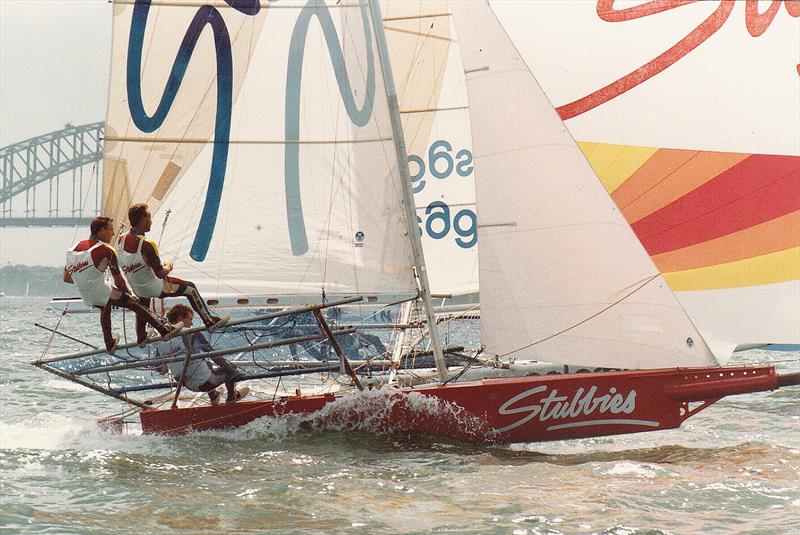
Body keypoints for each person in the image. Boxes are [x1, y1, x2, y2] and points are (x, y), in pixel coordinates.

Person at [64, 216, 181, 353]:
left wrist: (87, 279)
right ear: (101, 231)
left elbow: (67, 278)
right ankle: (164, 330)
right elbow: (119, 281)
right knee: (134, 304)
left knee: (105, 307)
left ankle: (110, 343)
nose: (113, 234)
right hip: (102, 292)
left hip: (87, 295)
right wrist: (130, 293)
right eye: (110, 230)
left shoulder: (72, 250)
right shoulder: (107, 250)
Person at [118, 203, 229, 340]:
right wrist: (169, 265)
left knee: (144, 301)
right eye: (149, 217)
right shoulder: (147, 244)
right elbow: (160, 274)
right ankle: (209, 321)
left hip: (137, 288)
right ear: (143, 219)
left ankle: (141, 336)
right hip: (153, 287)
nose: (151, 220)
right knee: (190, 288)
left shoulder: (121, 239)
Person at [158, 304, 248, 404]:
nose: (191, 323)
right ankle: (231, 398)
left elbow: (161, 370)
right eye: (190, 319)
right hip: (206, 383)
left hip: (186, 385)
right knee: (230, 368)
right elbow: (215, 356)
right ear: (180, 318)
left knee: (207, 365)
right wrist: (235, 373)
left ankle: (214, 396)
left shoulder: (160, 341)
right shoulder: (193, 333)